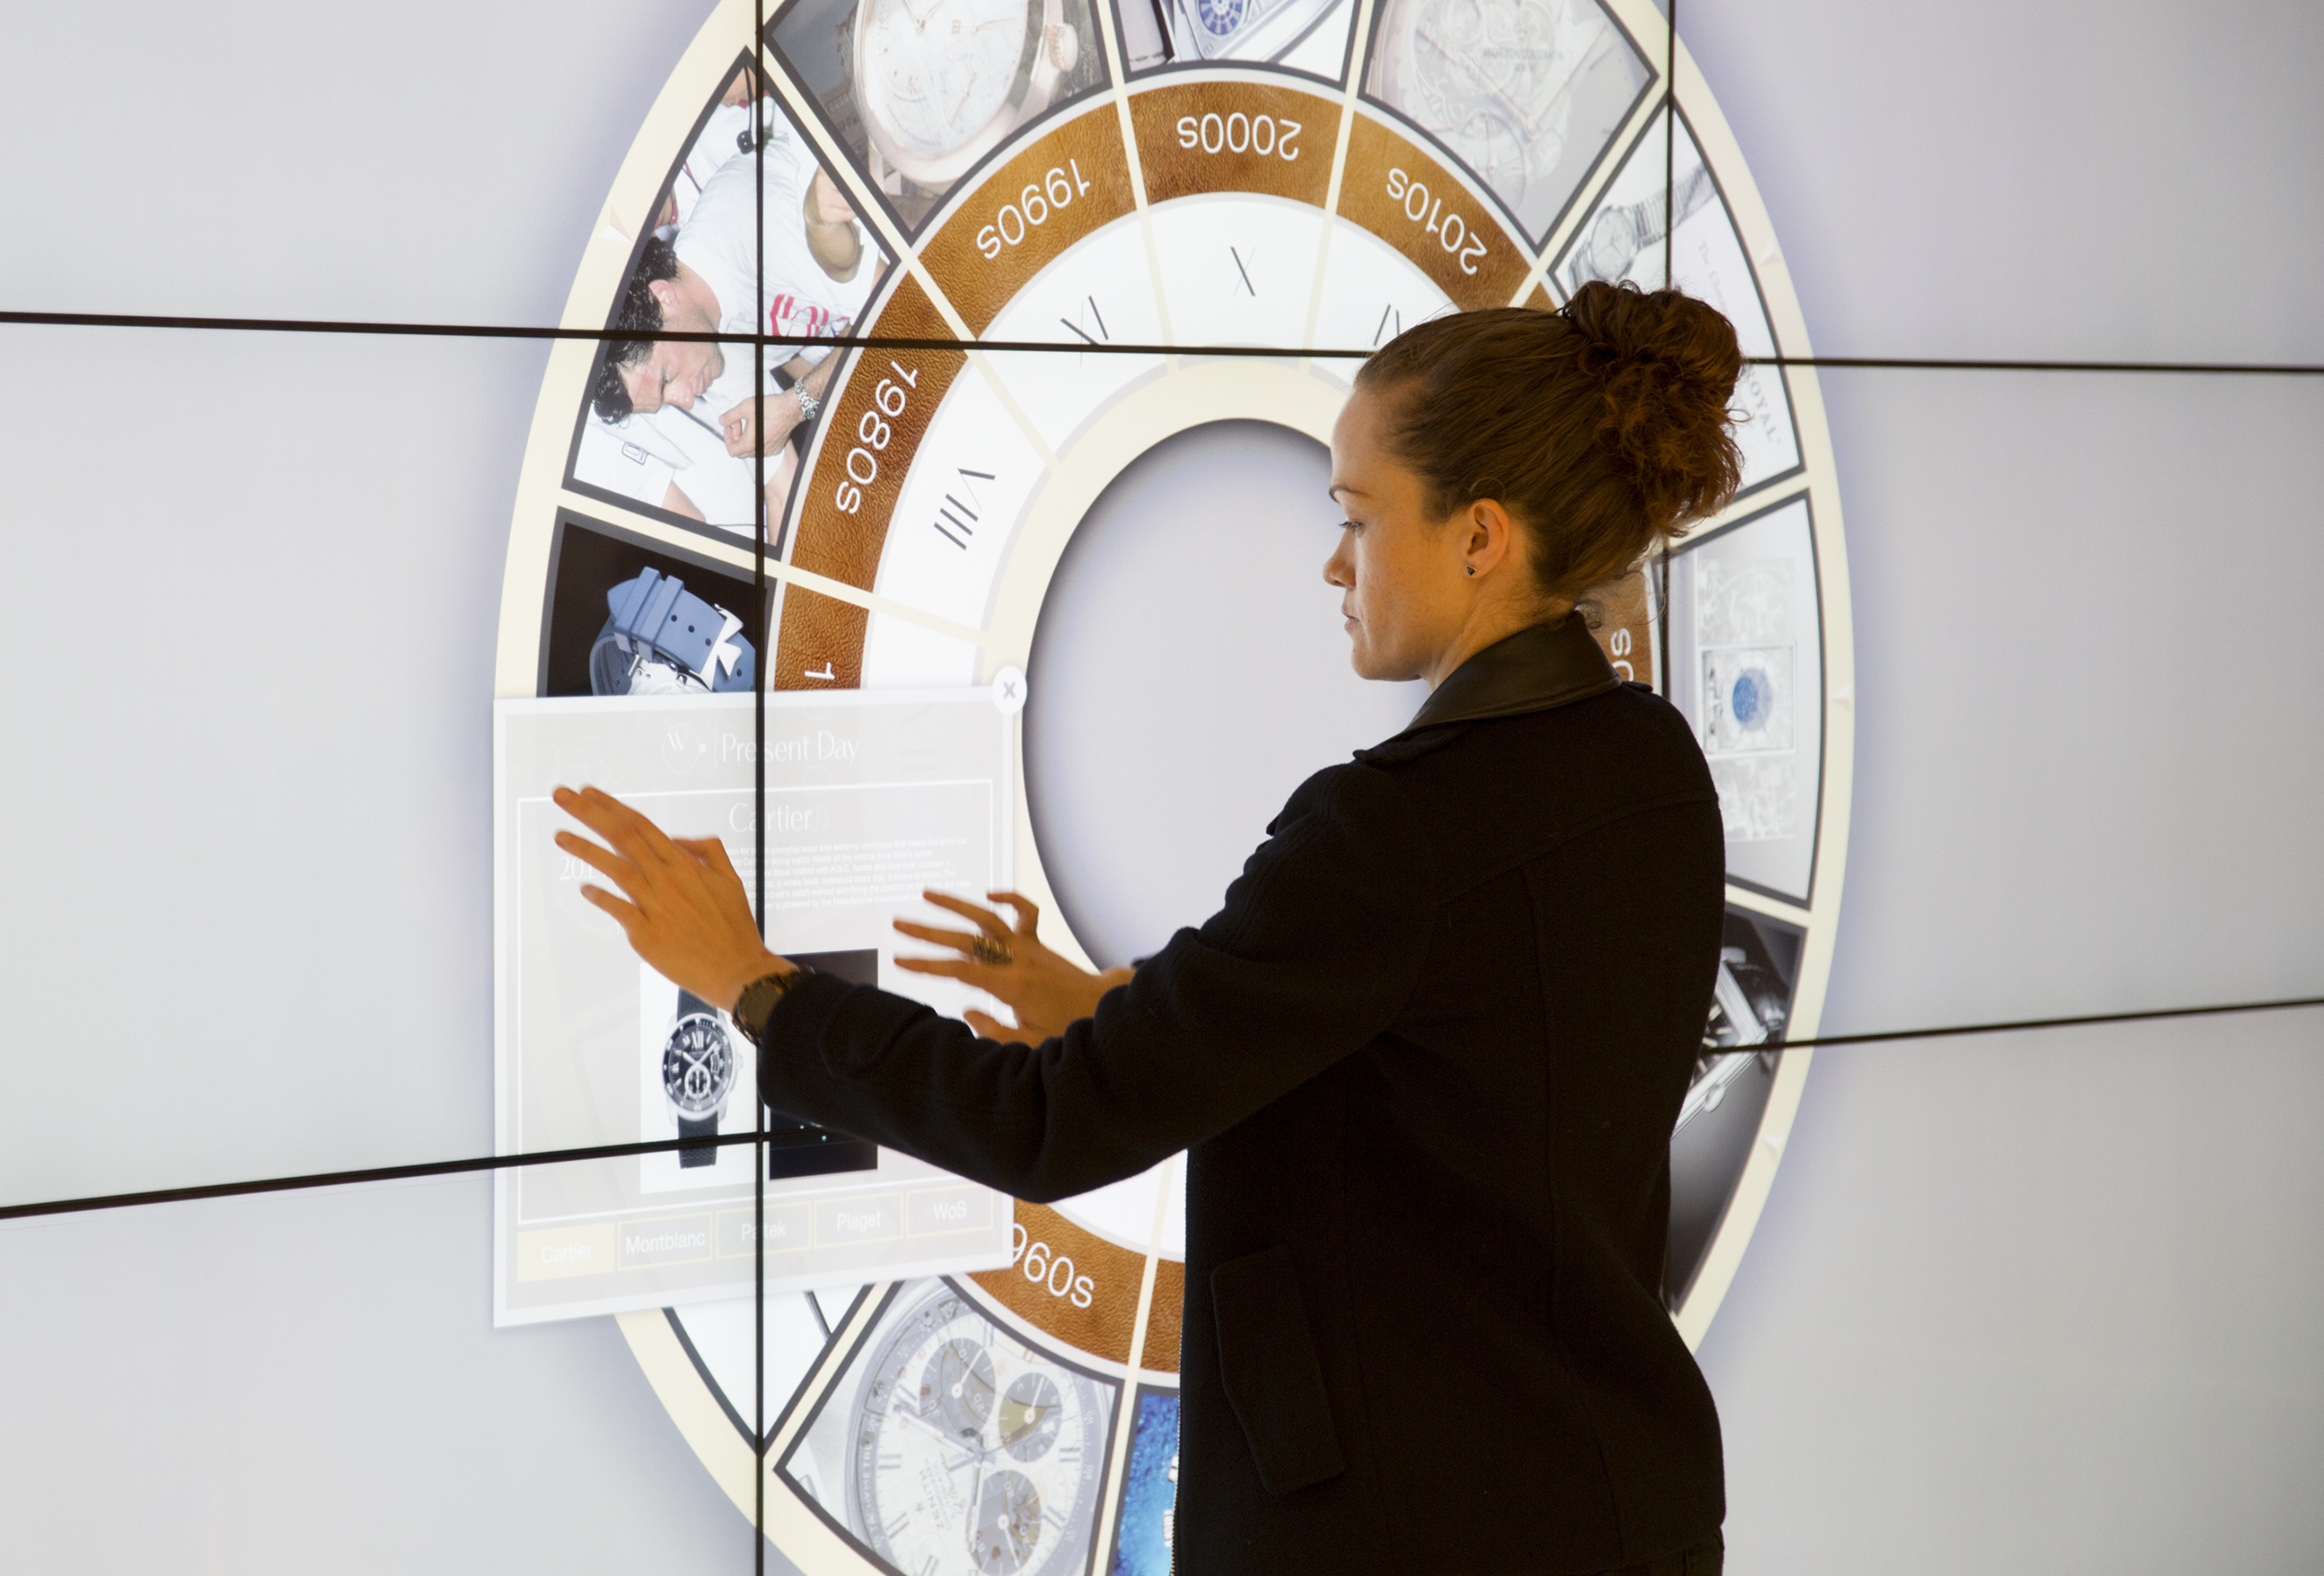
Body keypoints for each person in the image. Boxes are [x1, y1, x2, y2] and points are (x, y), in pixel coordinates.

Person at [555, 281, 1748, 1575]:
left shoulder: (1392, 835)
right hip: (1622, 1503)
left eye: (1356, 519)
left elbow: (1045, 1123)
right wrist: (1128, 1012)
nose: (1334, 564)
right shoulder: (1650, 764)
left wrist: (757, 986)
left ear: (1480, 538)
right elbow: (1462, 1054)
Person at [577, 125, 886, 536]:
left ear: (662, 298)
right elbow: (782, 493)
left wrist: (796, 406)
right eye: (667, 399)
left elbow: (900, 302)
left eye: (668, 380)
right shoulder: (708, 355)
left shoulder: (744, 226)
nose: (686, 398)